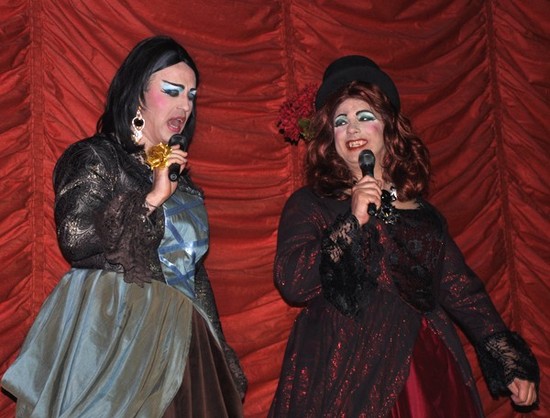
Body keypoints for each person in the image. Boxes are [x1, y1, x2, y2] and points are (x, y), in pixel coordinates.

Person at [269, 55, 539, 417]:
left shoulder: (422, 213)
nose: (353, 129)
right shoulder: (310, 204)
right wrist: (352, 220)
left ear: (388, 127)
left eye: (365, 116)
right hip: (343, 372)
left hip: (424, 370)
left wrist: (510, 363)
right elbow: (293, 281)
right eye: (341, 121)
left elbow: (460, 289)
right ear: (330, 137)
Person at [2, 35, 247, 417]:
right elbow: (75, 238)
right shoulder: (97, 156)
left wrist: (220, 351)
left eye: (191, 95)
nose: (185, 105)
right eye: (172, 90)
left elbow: (193, 273)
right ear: (137, 94)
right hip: (117, 332)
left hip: (184, 342)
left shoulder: (185, 185)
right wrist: (151, 198)